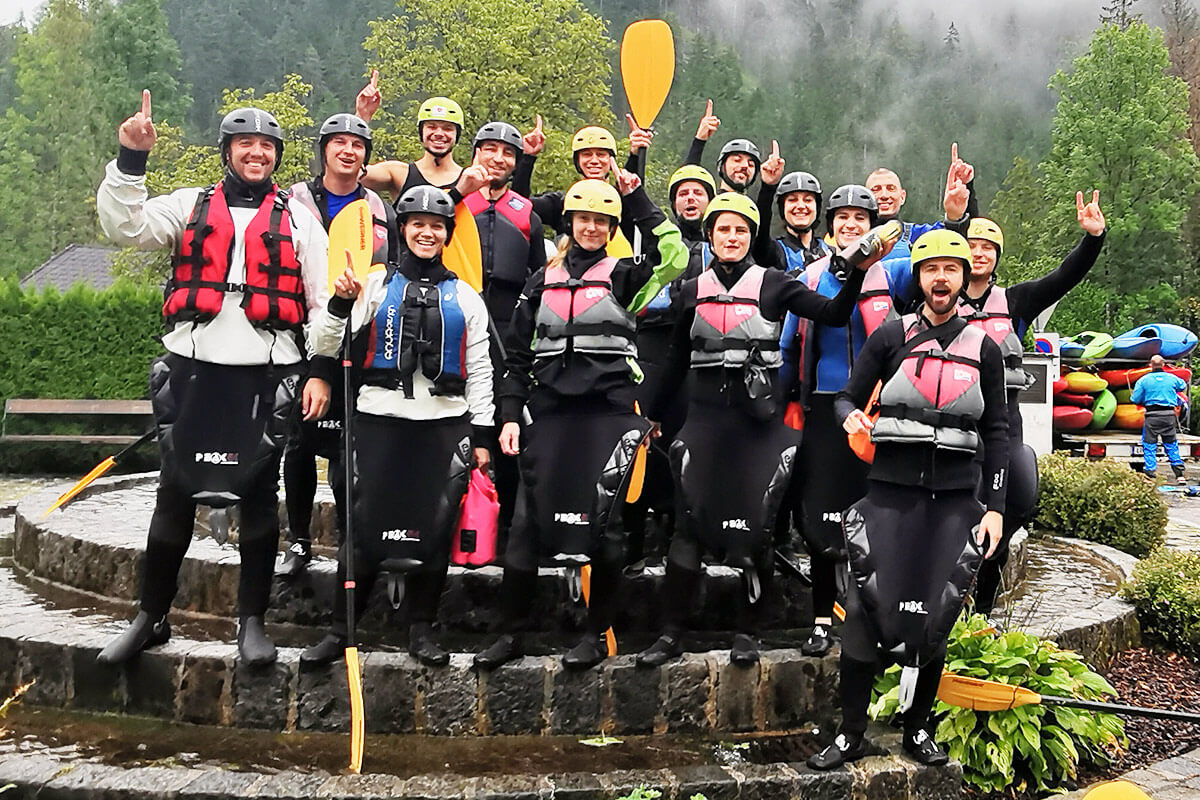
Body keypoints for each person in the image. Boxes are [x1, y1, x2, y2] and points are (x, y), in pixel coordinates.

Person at [95, 95, 331, 666]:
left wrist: (319, 368)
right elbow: (123, 227)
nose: (257, 153)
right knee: (174, 493)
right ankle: (150, 616)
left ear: (276, 156)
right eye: (245, 144)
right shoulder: (188, 205)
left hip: (263, 370)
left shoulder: (300, 219)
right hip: (193, 366)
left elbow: (323, 305)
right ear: (227, 151)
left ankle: (250, 623)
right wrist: (131, 158)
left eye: (267, 146)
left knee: (257, 496)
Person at [635, 193, 898, 669]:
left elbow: (835, 313)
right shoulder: (693, 288)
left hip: (757, 428)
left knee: (755, 529)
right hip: (705, 423)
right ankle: (671, 633)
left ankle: (747, 632)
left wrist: (859, 269)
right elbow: (675, 358)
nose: (731, 238)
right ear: (711, 236)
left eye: (739, 231)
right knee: (687, 527)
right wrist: (652, 415)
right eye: (722, 230)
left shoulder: (776, 285)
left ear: (750, 237)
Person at [473, 171, 689, 671]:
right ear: (570, 222)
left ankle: (596, 634)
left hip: (607, 417)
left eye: (601, 221)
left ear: (612, 227)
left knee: (607, 529)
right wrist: (509, 415)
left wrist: (635, 197)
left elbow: (674, 255)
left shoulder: (626, 277)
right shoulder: (540, 280)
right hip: (548, 416)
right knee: (525, 527)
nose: (591, 228)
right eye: (584, 219)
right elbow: (519, 357)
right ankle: (511, 634)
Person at [809, 230, 1008, 769]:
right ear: (918, 279)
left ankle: (917, 730)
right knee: (862, 612)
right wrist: (847, 414)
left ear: (964, 278)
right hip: (889, 495)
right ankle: (850, 733)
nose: (940, 278)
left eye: (951, 269)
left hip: (953, 500)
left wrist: (994, 507)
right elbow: (848, 394)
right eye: (930, 269)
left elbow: (999, 431)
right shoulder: (892, 336)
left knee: (934, 617)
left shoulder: (985, 349)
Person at [301, 185, 494, 667]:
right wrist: (342, 303)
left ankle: (422, 629)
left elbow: (481, 369)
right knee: (362, 529)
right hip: (378, 423)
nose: (427, 233)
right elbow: (324, 341)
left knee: (433, 530)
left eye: (436, 226)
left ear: (447, 235)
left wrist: (484, 434)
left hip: (442, 426)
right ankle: (341, 629)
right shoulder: (374, 285)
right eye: (418, 225)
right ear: (403, 232)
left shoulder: (467, 297)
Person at [961, 193, 1106, 614]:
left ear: (998, 256)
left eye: (988, 247)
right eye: (972, 245)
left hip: (1004, 422)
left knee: (1012, 505)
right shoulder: (939, 298)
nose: (980, 253)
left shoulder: (1016, 301)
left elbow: (1064, 276)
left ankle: (983, 609)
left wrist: (1093, 239)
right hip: (959, 422)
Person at [276, 112, 399, 578]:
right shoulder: (295, 202)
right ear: (323, 149)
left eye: (358, 144)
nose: (349, 151)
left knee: (354, 449)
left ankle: (352, 540)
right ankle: (300, 540)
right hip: (307, 340)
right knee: (302, 444)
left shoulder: (380, 209)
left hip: (364, 342)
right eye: (339, 143)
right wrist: (318, 367)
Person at [622, 165, 716, 573]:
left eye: (699, 192)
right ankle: (635, 541)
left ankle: (684, 533)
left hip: (697, 352)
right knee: (645, 445)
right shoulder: (657, 239)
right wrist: (637, 163)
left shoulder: (723, 243)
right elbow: (635, 213)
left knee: (687, 447)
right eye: (683, 193)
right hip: (653, 347)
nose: (691, 199)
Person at [461, 120, 548, 533]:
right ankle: (457, 523)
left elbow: (538, 276)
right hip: (461, 320)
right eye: (490, 149)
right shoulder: (456, 203)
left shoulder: (526, 212)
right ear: (475, 152)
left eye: (507, 153)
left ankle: (512, 524)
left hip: (508, 326)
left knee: (506, 425)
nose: (498, 158)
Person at [865, 145, 977, 285]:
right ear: (866, 197)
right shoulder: (852, 238)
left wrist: (964, 190)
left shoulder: (917, 235)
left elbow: (958, 237)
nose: (884, 195)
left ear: (902, 196)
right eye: (876, 190)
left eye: (890, 188)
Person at [1132, 354, 1189, 484]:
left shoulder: (1144, 380)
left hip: (1152, 415)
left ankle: (1151, 473)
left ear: (1150, 365)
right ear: (1163, 365)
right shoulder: (1171, 378)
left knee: (1149, 445)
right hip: (1169, 415)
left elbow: (1135, 399)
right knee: (1171, 444)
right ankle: (1179, 475)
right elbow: (1182, 386)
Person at [682, 99, 759, 194]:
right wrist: (699, 140)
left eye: (751, 165)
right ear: (721, 166)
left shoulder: (752, 208)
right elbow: (687, 183)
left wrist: (769, 185)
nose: (745, 166)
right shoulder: (708, 203)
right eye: (737, 160)